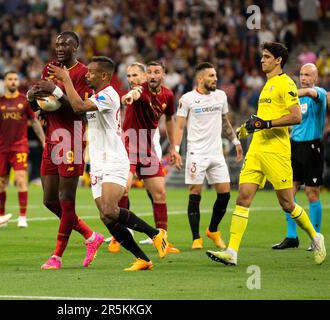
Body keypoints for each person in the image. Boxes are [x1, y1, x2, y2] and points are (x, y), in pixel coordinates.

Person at [206, 42, 326, 266]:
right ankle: (232, 252)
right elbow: (262, 120)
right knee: (243, 197)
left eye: (266, 57)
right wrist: (248, 127)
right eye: (262, 56)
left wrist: (267, 123)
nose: (262, 60)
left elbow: (295, 117)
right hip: (257, 150)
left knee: (287, 203)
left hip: (276, 152)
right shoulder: (267, 85)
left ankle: (316, 236)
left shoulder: (286, 84)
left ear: (278, 60)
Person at [49, 56, 169, 271]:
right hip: (97, 163)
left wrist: (65, 80)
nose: (87, 74)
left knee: (110, 210)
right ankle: (143, 259)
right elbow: (76, 108)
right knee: (105, 217)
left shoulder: (109, 95)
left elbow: (77, 107)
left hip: (114, 160)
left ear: (104, 75)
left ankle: (155, 234)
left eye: (91, 72)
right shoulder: (96, 96)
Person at [26, 31, 103, 270]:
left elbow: (81, 110)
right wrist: (31, 98)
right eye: (58, 44)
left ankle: (57, 256)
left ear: (76, 47)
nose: (60, 47)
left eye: (66, 44)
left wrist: (56, 91)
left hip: (71, 139)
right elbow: (40, 103)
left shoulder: (83, 73)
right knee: (49, 200)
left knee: (66, 199)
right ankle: (91, 236)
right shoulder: (50, 67)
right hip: (52, 139)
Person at [108, 61, 181, 253]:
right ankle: (121, 236)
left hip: (147, 149)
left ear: (163, 74)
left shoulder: (168, 95)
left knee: (160, 193)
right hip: (129, 145)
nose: (132, 80)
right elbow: (135, 93)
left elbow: (170, 119)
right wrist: (129, 96)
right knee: (123, 190)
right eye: (149, 72)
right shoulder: (140, 90)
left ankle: (162, 239)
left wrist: (173, 148)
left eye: (156, 72)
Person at [176, 62, 243, 250]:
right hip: (196, 152)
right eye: (211, 76)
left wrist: (236, 142)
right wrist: (174, 149)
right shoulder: (187, 99)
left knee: (225, 194)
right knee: (195, 193)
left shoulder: (221, 96)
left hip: (216, 153)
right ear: (200, 79)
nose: (215, 79)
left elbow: (225, 121)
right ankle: (196, 238)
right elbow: (179, 125)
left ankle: (213, 230)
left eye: (215, 75)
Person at [272, 63, 328, 250]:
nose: (303, 78)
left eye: (307, 75)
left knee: (312, 193)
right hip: (294, 147)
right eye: (301, 74)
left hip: (312, 148)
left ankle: (315, 236)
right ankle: (291, 236)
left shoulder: (318, 93)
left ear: (315, 78)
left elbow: (311, 93)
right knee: (289, 193)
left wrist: (288, 93)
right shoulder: (295, 100)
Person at [0, 71, 45, 228]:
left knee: (21, 180)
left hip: (20, 146)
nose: (13, 81)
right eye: (10, 79)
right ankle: (1, 218)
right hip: (2, 148)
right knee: (1, 183)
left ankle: (22, 217)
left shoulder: (25, 100)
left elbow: (35, 123)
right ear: (4, 82)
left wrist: (44, 140)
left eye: (15, 79)